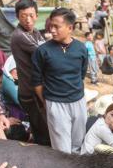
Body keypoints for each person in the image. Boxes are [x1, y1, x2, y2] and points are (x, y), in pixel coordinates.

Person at [31, 8, 88, 154]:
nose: (52, 30)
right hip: (56, 103)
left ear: (70, 28)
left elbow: (81, 74)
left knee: (78, 144)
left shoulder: (81, 48)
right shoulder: (42, 51)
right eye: (51, 26)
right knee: (61, 150)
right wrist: (47, 102)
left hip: (78, 102)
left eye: (57, 26)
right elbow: (36, 82)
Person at [9, 0, 49, 146]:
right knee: (44, 131)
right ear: (17, 17)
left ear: (37, 15)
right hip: (30, 92)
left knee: (40, 127)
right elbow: (45, 52)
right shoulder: (19, 35)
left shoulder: (36, 32)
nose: (28, 19)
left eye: (31, 15)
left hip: (35, 89)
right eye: (23, 16)